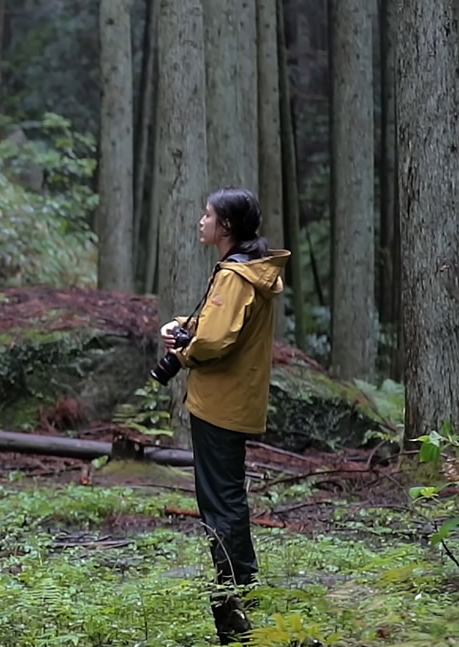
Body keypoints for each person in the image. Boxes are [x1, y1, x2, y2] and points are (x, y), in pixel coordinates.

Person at [159, 187, 290, 645]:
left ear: (227, 227)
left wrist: (185, 349)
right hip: (232, 400)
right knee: (226, 497)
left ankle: (236, 597)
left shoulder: (237, 277)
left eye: (208, 214)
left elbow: (215, 343)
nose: (201, 221)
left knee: (221, 501)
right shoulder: (249, 272)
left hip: (220, 404)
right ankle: (238, 592)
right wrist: (189, 331)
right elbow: (219, 330)